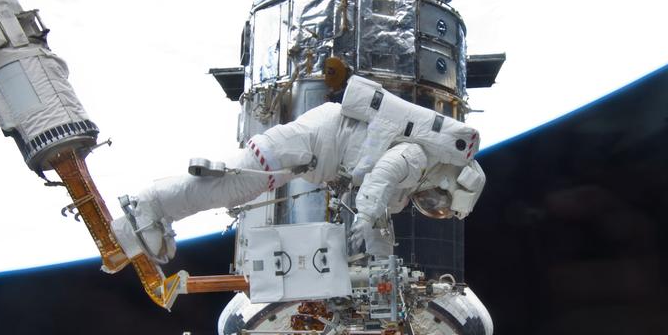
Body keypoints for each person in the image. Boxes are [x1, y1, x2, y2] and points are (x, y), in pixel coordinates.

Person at [112, 74, 485, 264]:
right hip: (305, 143)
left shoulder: (416, 173)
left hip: (311, 152)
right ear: (450, 180)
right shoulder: (417, 158)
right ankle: (149, 205)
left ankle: (161, 212)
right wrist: (363, 223)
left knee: (239, 188)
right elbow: (382, 177)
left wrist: (378, 250)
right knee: (236, 188)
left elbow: (383, 202)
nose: (431, 204)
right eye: (440, 200)